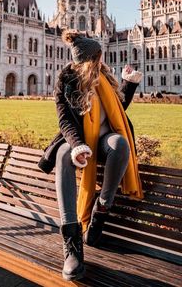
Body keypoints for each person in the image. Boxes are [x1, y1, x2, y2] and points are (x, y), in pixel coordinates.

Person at [38, 30, 144, 281]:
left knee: (121, 144)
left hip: (105, 140)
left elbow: (117, 110)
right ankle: (72, 240)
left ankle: (102, 208)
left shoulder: (106, 78)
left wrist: (129, 84)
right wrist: (76, 145)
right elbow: (65, 120)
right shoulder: (66, 80)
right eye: (99, 55)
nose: (103, 58)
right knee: (63, 154)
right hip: (78, 139)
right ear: (92, 58)